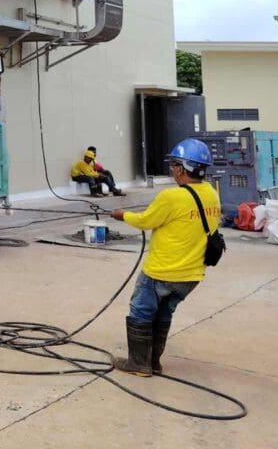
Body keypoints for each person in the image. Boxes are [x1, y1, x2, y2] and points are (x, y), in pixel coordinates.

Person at [109, 138, 221, 376]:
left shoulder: (171, 197)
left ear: (182, 168)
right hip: (190, 276)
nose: (172, 170)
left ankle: (139, 363)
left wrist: (122, 215)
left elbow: (145, 221)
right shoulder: (212, 193)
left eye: (174, 165)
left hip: (161, 272)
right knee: (163, 314)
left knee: (141, 311)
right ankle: (154, 362)